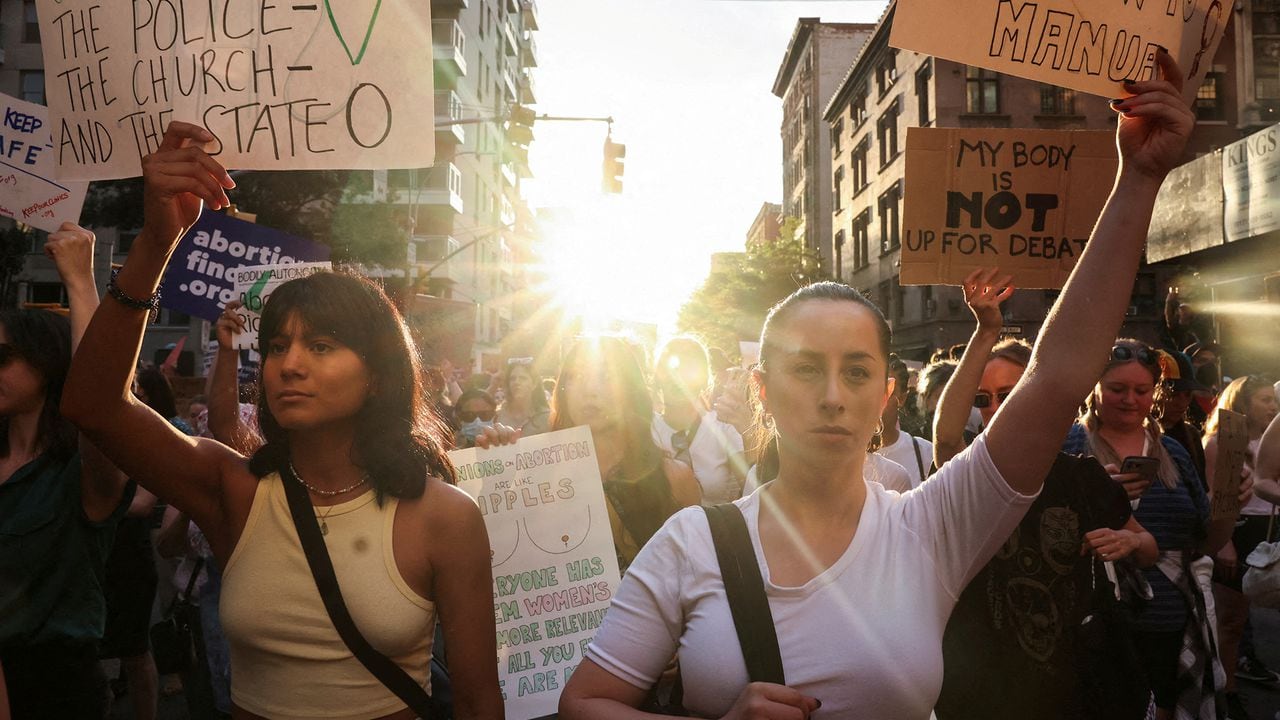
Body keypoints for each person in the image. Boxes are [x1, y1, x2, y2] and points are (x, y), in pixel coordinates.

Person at [558, 50, 1196, 719]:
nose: (833, 394)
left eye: (856, 371)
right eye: (805, 368)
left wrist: (1138, 179)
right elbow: (586, 704)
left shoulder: (930, 528)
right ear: (762, 389)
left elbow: (1059, 375)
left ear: (885, 395)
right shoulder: (690, 543)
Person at [61, 122, 504, 719]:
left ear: (378, 374)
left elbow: (478, 700)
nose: (289, 363)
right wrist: (157, 243)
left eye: (321, 346)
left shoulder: (446, 517)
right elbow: (93, 405)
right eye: (276, 346)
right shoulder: (232, 489)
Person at [931, 269, 1156, 720]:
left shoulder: (1081, 477)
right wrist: (986, 331)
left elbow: (1148, 548)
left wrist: (1130, 542)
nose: (995, 408)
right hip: (987, 681)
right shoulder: (975, 473)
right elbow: (946, 435)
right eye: (983, 398)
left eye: (1010, 395)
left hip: (1072, 680)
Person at [1062, 338, 1247, 719]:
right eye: (1117, 389)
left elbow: (1206, 539)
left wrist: (1230, 501)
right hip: (1097, 619)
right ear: (1094, 390)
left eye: (1141, 390)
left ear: (1154, 393)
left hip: (1169, 620)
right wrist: (1101, 501)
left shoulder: (1174, 451)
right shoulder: (1070, 445)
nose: (1130, 399)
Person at [0, 224, 132, 718]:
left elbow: (103, 403)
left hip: (54, 690)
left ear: (48, 364)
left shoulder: (81, 473)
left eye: (3, 358)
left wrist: (80, 280)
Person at [550, 337, 700, 571]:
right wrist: (499, 464)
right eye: (576, 376)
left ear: (631, 390)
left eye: (606, 377)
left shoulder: (675, 480)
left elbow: (694, 580)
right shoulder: (540, 482)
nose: (589, 390)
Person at [1204, 375, 1280, 709]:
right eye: (1264, 399)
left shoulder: (1274, 438)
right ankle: (1227, 690)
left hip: (1272, 527)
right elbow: (1217, 497)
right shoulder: (1227, 439)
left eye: (1273, 399)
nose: (1272, 406)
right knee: (1232, 619)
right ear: (1243, 402)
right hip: (1240, 528)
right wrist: (1224, 543)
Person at [650, 337, 747, 505]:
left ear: (703, 379)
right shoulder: (645, 430)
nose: (678, 377)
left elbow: (752, 487)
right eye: (671, 367)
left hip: (713, 529)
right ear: (658, 378)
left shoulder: (722, 426)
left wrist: (748, 430)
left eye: (690, 369)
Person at [874, 355, 932, 488]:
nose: (877, 400)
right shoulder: (848, 455)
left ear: (902, 398)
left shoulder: (924, 453)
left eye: (887, 392)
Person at [1156, 350, 1209, 488]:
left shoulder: (1192, 435)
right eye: (1173, 394)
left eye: (1187, 394)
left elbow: (1201, 488)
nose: (1182, 402)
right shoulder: (1140, 435)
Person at [495, 357, 550, 437]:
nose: (516, 382)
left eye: (523, 378)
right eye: (512, 379)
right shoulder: (499, 416)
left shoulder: (547, 417)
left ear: (534, 384)